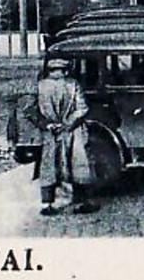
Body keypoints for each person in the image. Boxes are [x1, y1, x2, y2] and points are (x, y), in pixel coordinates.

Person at [29, 57, 95, 216]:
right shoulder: (73, 85)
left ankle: (47, 204)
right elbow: (82, 108)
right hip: (73, 131)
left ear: (50, 71)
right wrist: (67, 124)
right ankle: (81, 203)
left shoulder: (40, 86)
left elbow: (30, 110)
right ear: (65, 71)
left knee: (49, 166)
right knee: (78, 165)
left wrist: (48, 125)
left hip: (50, 133)